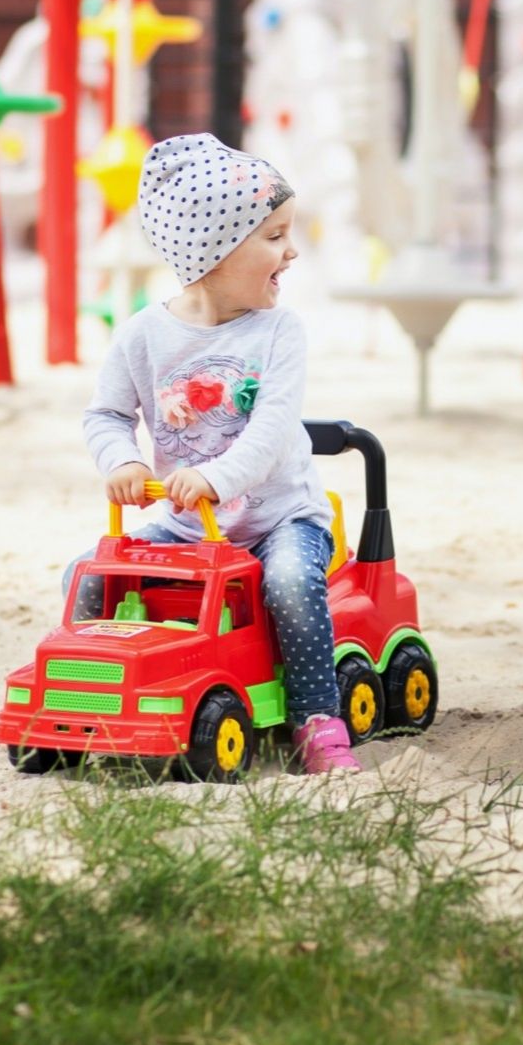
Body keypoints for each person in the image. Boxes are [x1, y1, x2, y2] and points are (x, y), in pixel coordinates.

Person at [71, 132, 358, 774]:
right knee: (87, 575)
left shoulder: (279, 331)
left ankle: (317, 717)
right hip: (184, 522)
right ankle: (97, 697)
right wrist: (122, 461)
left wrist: (212, 475)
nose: (292, 250)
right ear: (214, 253)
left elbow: (273, 431)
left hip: (278, 520)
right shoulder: (144, 335)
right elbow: (108, 415)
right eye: (274, 236)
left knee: (288, 584)